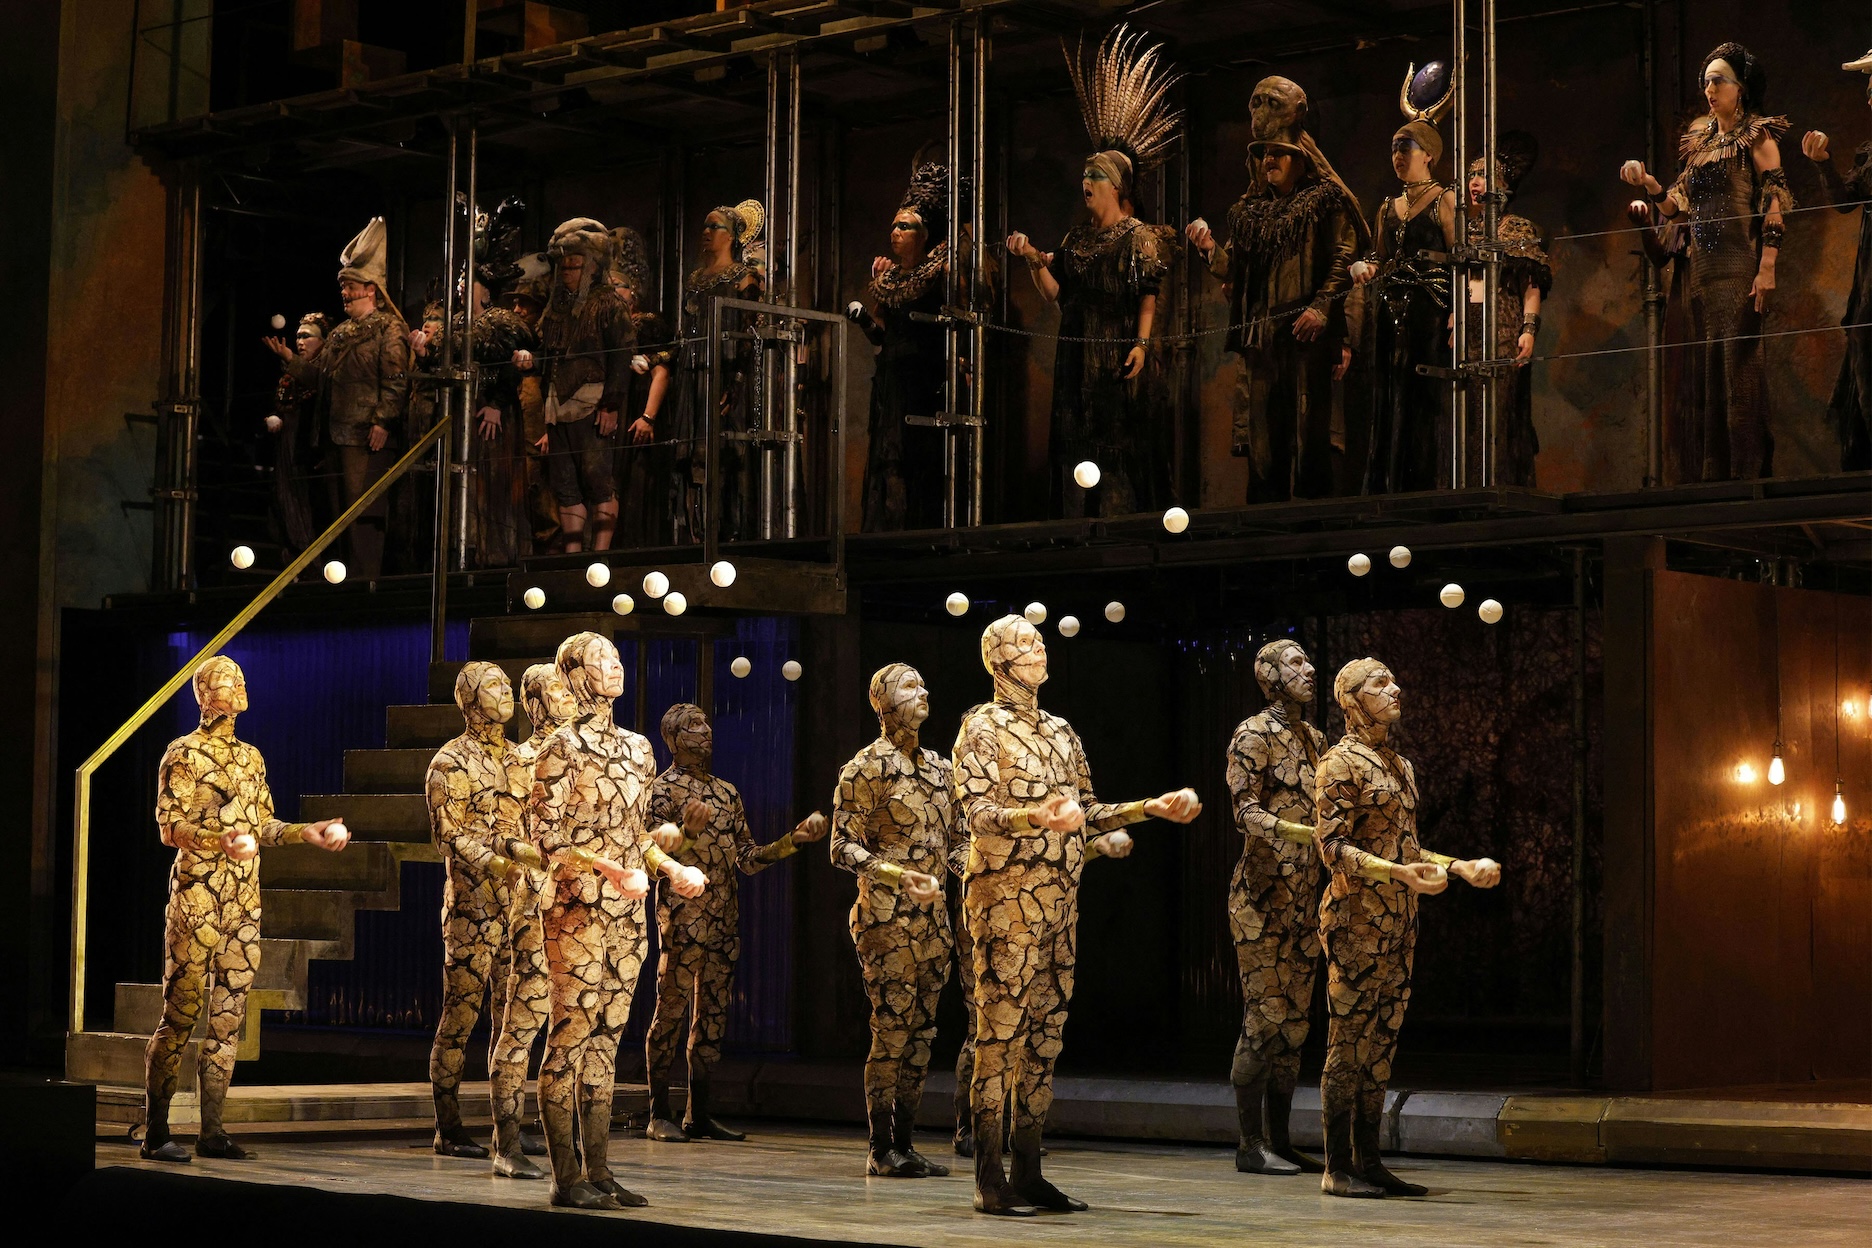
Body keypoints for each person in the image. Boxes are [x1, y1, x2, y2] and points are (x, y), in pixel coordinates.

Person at [953, 614, 1202, 1215]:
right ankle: (990, 1177)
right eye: (1024, 642)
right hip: (1006, 902)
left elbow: (1087, 810)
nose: (1038, 648)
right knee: (999, 1037)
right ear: (998, 661)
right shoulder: (980, 728)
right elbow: (977, 814)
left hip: (1060, 905)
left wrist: (1150, 808)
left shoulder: (1063, 731)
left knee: (1044, 1038)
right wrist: (1034, 817)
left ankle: (1031, 1170)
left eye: (1039, 641)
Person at [141, 657, 350, 1162]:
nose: (237, 686)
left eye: (239, 679)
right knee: (181, 1014)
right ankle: (156, 1130)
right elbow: (170, 828)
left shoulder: (251, 757)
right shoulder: (183, 753)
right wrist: (220, 841)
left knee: (229, 1018)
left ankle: (213, 1130)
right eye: (225, 681)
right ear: (204, 694)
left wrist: (308, 833)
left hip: (242, 905)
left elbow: (263, 826)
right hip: (198, 900)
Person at [525, 631, 702, 1210]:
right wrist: (605, 866)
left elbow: (634, 837)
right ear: (574, 673)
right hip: (576, 910)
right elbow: (547, 838)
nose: (616, 667)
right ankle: (564, 1176)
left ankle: (598, 1169)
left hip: (628, 915)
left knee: (607, 1039)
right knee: (570, 1036)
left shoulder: (638, 748)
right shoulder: (560, 747)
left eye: (620, 658)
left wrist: (670, 865)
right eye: (603, 660)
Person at [1314, 659, 1501, 1198]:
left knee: (1382, 1042)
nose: (1395, 689)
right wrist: (1396, 873)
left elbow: (1407, 847)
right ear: (1352, 699)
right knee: (1348, 1042)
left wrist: (1459, 866)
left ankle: (1369, 1160)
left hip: (1399, 922)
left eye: (1394, 680)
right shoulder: (1338, 764)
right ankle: (1336, 1167)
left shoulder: (1399, 764)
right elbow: (1332, 848)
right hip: (1355, 922)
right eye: (1379, 684)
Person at [1007, 25, 1182, 517]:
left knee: (1117, 442)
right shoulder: (1075, 238)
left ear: (1118, 186)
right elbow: (1055, 294)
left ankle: (1120, 522)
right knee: (1075, 439)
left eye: (1096, 175)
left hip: (1116, 348)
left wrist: (1142, 344)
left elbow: (1148, 293)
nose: (1086, 181)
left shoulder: (1139, 236)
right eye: (1085, 174)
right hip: (1074, 350)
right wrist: (1031, 261)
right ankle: (1074, 524)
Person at [643, 702, 825, 1144]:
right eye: (692, 726)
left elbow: (746, 858)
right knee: (670, 1010)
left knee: (713, 1017)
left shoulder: (727, 792)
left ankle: (699, 1113)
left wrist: (791, 842)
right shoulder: (661, 790)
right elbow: (649, 858)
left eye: (706, 723)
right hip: (683, 919)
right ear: (672, 738)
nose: (705, 732)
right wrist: (684, 833)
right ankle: (658, 1112)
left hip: (725, 919)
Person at [1188, 76, 1365, 503]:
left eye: (1278, 154)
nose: (1269, 160)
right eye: (1265, 154)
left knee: (1308, 438)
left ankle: (1311, 531)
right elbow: (1234, 269)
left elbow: (1345, 255)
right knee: (1263, 442)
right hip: (1262, 336)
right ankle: (1263, 530)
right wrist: (1210, 247)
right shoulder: (1251, 211)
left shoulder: (1324, 200)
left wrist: (1322, 309)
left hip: (1305, 335)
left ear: (1299, 158)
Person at [1619, 42, 1791, 480]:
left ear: (1741, 88)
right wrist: (1650, 183)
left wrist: (1767, 264)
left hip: (1739, 265)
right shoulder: (1700, 143)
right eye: (1707, 81)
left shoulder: (1758, 134)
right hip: (1703, 273)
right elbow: (1677, 205)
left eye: (1720, 81)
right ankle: (1716, 478)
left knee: (1741, 373)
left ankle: (1747, 476)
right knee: (1710, 375)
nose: (1710, 89)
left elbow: (1776, 198)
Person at [831, 665, 967, 1177]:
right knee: (891, 1028)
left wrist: (972, 866)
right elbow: (841, 846)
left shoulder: (941, 770)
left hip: (933, 924)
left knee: (923, 1033)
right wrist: (896, 873)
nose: (924, 690)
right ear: (881, 702)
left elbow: (955, 844)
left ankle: (906, 1141)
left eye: (923, 683)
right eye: (910, 686)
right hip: (886, 922)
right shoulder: (865, 768)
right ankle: (880, 1145)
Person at [424, 662, 551, 1174]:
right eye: (494, 687)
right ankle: (448, 1126)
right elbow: (449, 834)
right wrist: (498, 861)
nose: (505, 693)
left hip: (523, 904)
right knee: (461, 1015)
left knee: (515, 1019)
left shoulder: (522, 759)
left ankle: (510, 1127)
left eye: (506, 685)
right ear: (470, 701)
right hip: (474, 907)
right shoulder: (449, 761)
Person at [1224, 640, 1327, 1176]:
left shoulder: (1315, 739)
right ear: (1268, 675)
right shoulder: (1252, 734)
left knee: (1294, 1026)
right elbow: (1245, 811)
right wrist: (1302, 833)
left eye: (1309, 662)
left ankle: (1281, 1140)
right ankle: (1249, 1143)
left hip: (1306, 902)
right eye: (1295, 662)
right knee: (1263, 1021)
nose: (1308, 670)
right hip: (1262, 899)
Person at [264, 217, 410, 578]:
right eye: (343, 287)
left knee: (363, 513)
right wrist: (291, 361)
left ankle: (365, 579)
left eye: (352, 286)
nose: (344, 293)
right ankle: (343, 578)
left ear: (371, 289)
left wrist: (383, 421)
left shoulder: (390, 329)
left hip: (365, 435)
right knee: (337, 514)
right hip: (334, 434)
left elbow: (396, 379)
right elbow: (321, 377)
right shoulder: (341, 333)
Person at [1350, 64, 1458, 495]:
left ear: (1428, 153)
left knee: (1423, 401)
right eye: (1394, 147)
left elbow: (1463, 262)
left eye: (1406, 146)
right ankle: (1385, 488)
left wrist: (1461, 316)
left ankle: (1423, 489)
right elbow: (1378, 255)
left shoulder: (1445, 201)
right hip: (1391, 312)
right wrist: (1366, 266)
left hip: (1430, 313)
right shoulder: (1386, 207)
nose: (1398, 155)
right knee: (1388, 397)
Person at [520, 218, 635, 553]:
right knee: (565, 483)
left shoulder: (608, 303)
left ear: (590, 267)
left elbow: (621, 354)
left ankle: (600, 555)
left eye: (574, 265)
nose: (567, 272)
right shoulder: (555, 309)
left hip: (592, 402)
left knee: (597, 479)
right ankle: (572, 556)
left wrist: (611, 404)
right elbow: (544, 350)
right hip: (558, 404)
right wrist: (529, 358)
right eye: (564, 266)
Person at [853, 161, 955, 531]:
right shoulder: (891, 277)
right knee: (886, 455)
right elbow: (880, 335)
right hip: (890, 380)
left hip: (924, 380)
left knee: (917, 458)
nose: (895, 232)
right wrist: (865, 318)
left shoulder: (938, 272)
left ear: (924, 234)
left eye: (905, 226)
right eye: (894, 225)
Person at [666, 201, 767, 542]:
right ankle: (695, 533)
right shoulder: (695, 280)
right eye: (705, 227)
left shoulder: (744, 277)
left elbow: (750, 331)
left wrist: (737, 381)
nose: (706, 233)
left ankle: (728, 532)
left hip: (724, 374)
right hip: (692, 373)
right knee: (690, 452)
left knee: (724, 452)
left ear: (733, 236)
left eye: (715, 227)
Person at [1462, 132, 1552, 486]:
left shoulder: (1516, 229)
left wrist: (1528, 330)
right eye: (1471, 175)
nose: (1473, 182)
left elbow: (1531, 285)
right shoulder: (1462, 233)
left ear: (1501, 183)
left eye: (1482, 175)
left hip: (1503, 328)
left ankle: (1501, 488)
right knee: (1466, 415)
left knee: (1500, 414)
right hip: (1468, 331)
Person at [1802, 48, 1872, 471]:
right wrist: (1823, 163)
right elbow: (1846, 202)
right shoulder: (1870, 153)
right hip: (1871, 272)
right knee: (1865, 345)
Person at [264, 312, 328, 554]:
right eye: (298, 336)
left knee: (305, 508)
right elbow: (280, 403)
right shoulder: (289, 374)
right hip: (286, 449)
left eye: (307, 336)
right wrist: (272, 417)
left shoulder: (325, 368)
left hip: (307, 451)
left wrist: (289, 357)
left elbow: (318, 384)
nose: (300, 341)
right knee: (282, 506)